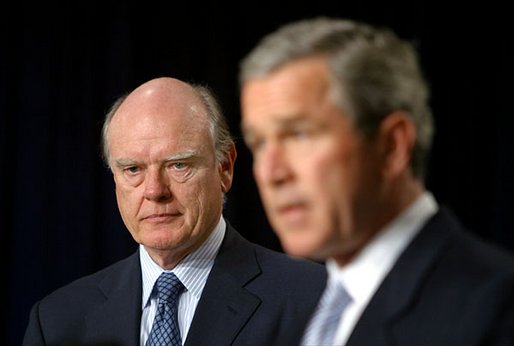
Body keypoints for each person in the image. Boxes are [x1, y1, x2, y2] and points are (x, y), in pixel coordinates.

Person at [239, 17, 514, 345]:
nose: (271, 173)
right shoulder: (312, 309)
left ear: (391, 146)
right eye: (259, 143)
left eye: (298, 134)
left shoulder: (495, 310)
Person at [22, 77, 327, 346]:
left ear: (225, 167)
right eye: (133, 169)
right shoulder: (57, 322)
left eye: (178, 165)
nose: (155, 191)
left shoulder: (314, 300)